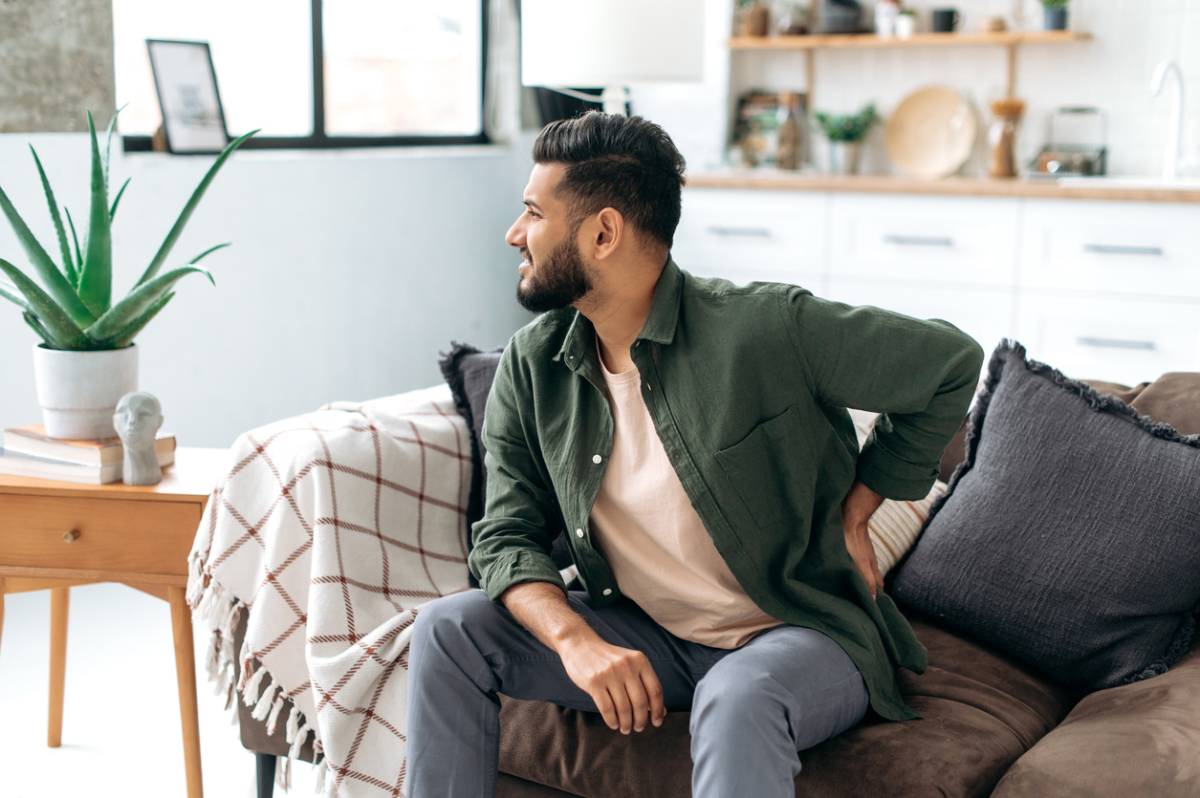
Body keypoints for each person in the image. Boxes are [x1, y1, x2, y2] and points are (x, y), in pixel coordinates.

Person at [407, 111, 984, 797]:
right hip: (648, 631)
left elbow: (951, 363)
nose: (514, 233)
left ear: (603, 232)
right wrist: (575, 640)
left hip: (797, 635)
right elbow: (506, 534)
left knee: (739, 697)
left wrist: (859, 510)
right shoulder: (535, 366)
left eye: (534, 212)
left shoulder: (765, 328)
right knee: (448, 629)